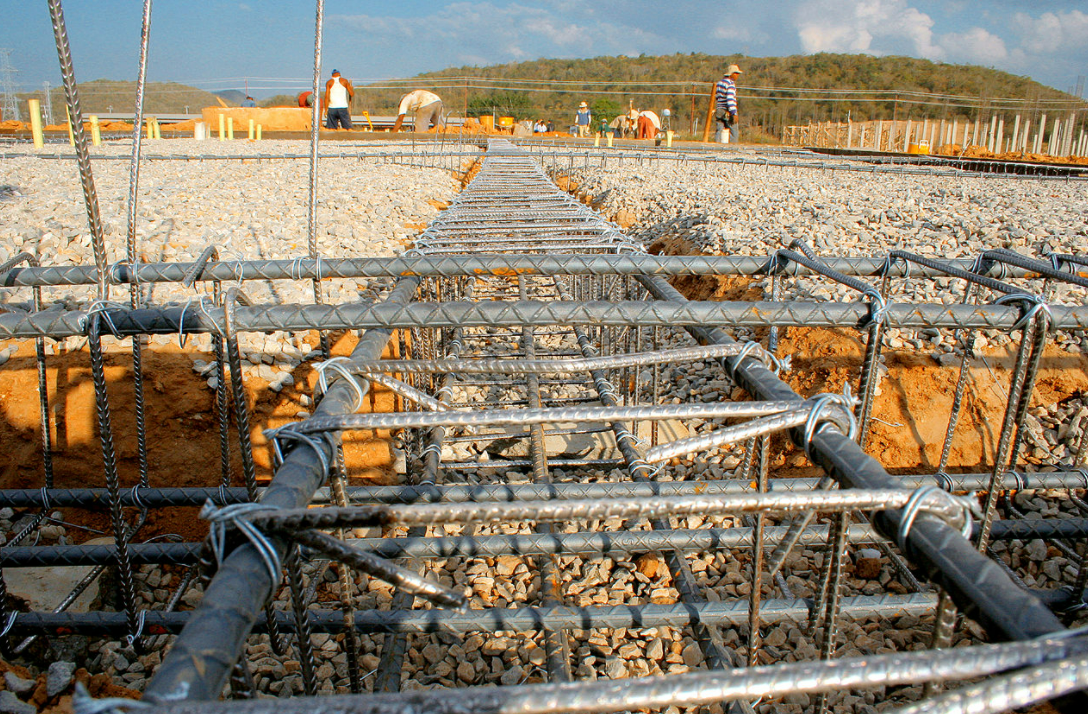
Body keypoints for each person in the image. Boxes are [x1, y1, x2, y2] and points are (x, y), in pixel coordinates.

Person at [714, 64, 741, 144]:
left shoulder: (719, 83)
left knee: (719, 130)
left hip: (719, 109)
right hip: (727, 110)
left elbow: (717, 96)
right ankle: (733, 149)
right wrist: (733, 113)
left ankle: (716, 147)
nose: (737, 76)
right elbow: (730, 99)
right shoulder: (730, 84)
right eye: (736, 73)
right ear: (731, 73)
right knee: (733, 131)